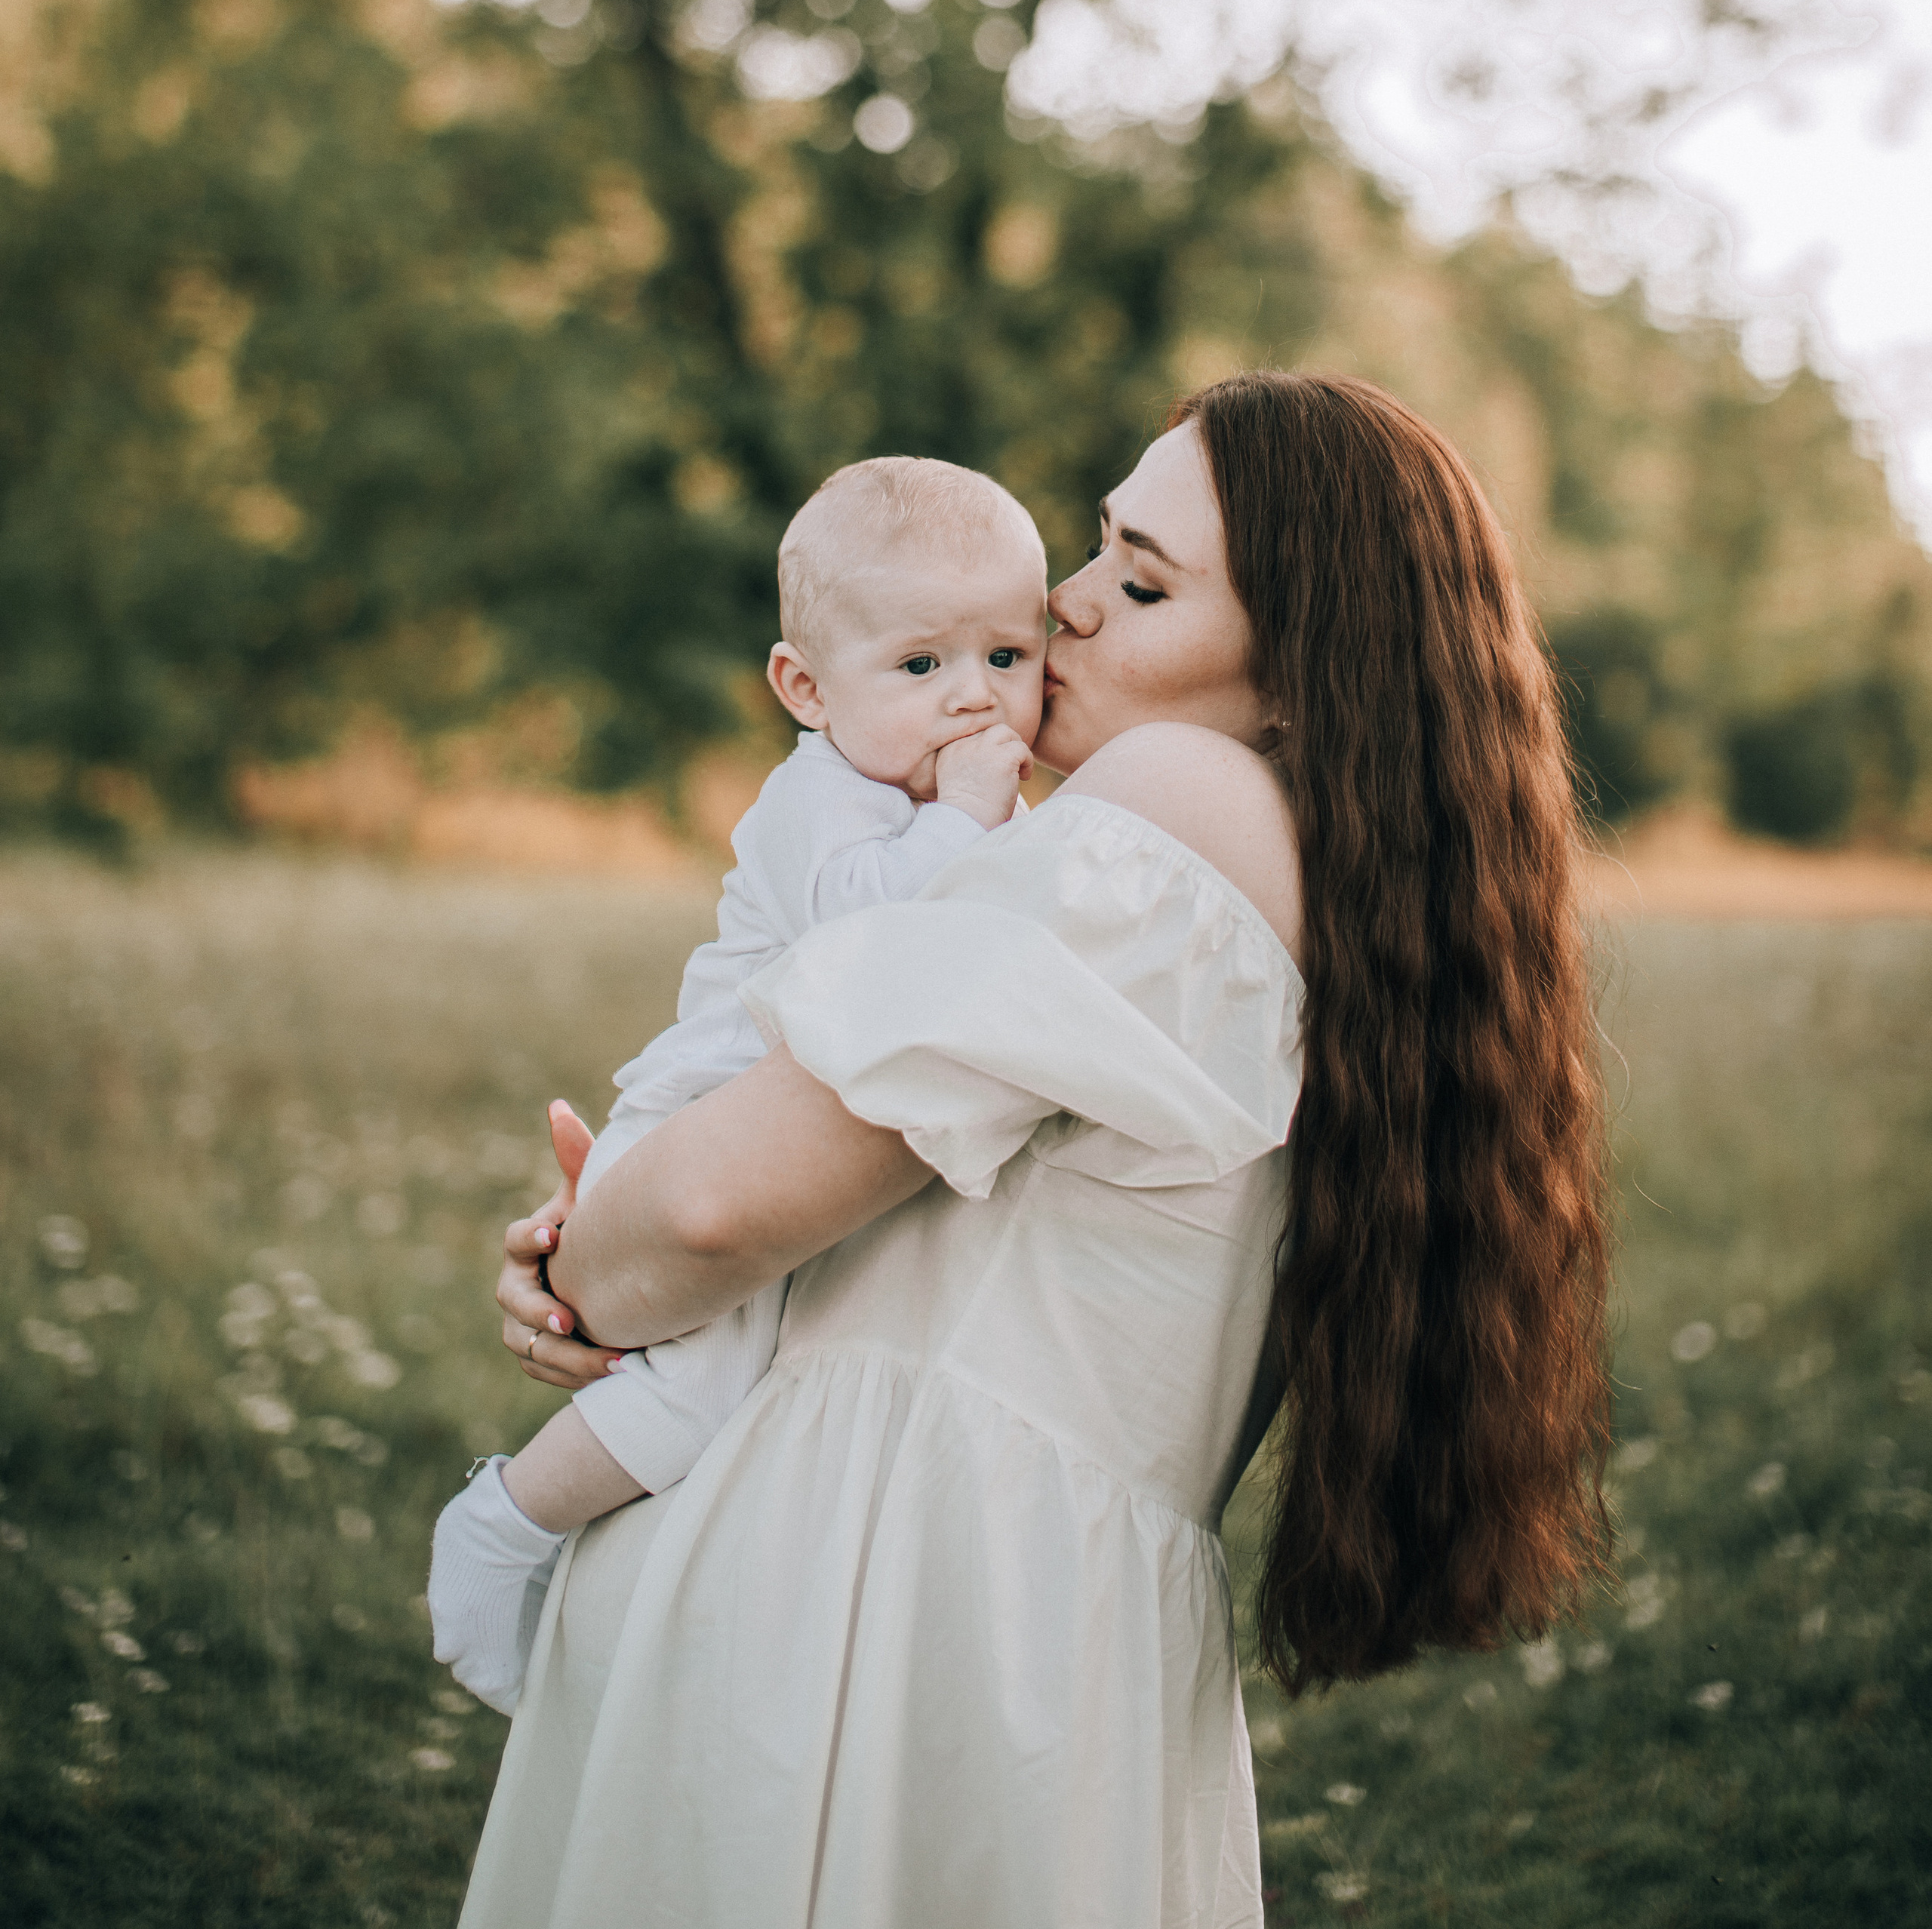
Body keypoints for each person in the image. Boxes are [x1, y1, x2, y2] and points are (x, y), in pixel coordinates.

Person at [462, 373, 1611, 1929]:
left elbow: (712, 1210)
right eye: (1095, 546)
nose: (1062, 604)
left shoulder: (1173, 809)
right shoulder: (1342, 901)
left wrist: (584, 1260)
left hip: (865, 1616)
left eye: (1141, 583)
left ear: (1297, 676)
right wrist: (610, 1250)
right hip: (1038, 1652)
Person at [426, 455, 1047, 1709]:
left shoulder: (946, 800)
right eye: (920, 665)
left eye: (1007, 656)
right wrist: (969, 820)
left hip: (779, 1131)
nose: (974, 696)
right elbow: (862, 933)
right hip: (700, 1121)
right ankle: (501, 1524)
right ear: (806, 688)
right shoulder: (820, 797)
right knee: (695, 1393)